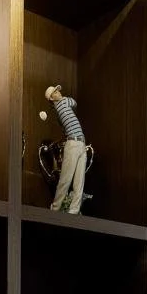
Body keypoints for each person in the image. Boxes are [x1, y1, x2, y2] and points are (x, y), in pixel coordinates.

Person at [45, 85, 86, 213]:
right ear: (52, 98)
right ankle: (55, 208)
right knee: (66, 179)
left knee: (79, 182)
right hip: (73, 143)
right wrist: (63, 98)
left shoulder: (60, 107)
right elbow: (74, 102)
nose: (59, 92)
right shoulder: (62, 103)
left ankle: (73, 211)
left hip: (81, 143)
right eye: (55, 92)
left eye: (58, 90)